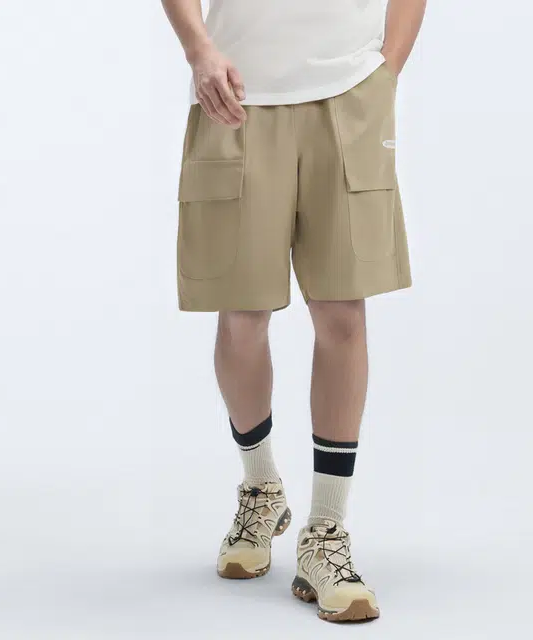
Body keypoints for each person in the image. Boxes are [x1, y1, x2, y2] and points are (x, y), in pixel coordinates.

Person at [161, 0, 426, 623]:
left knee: (342, 315)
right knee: (242, 316)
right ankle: (261, 487)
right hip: (235, 96)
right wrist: (198, 50)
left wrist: (386, 71)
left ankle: (326, 531)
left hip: (349, 95)